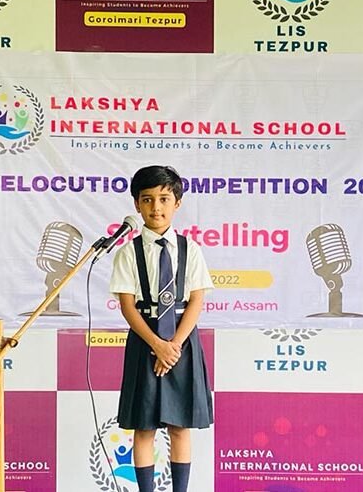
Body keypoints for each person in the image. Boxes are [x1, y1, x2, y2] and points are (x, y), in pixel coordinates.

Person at [110, 165, 214, 492]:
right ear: (137, 204)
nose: (156, 207)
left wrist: (174, 345)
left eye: (164, 199)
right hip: (145, 339)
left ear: (177, 203)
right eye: (147, 199)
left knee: (180, 426)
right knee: (144, 427)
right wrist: (157, 344)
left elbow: (196, 300)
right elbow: (128, 306)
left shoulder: (190, 249)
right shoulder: (128, 252)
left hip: (182, 341)